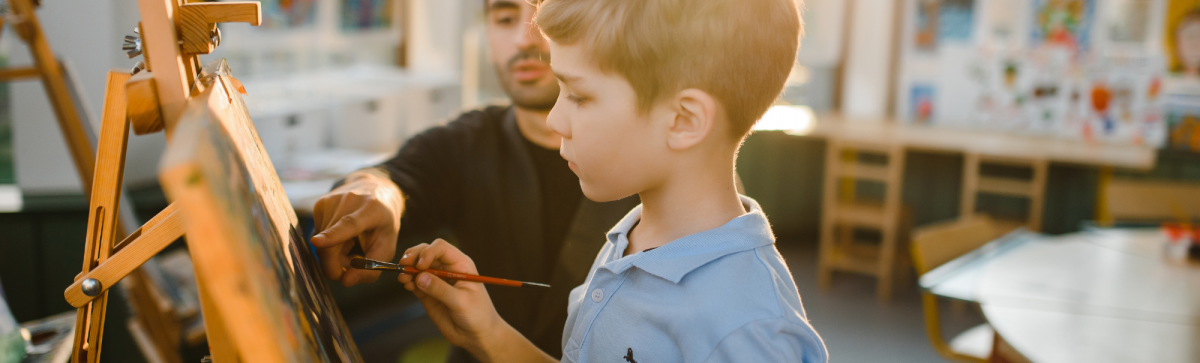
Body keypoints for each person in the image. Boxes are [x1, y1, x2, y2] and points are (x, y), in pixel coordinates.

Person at [396, 0, 828, 362]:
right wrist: (489, 332)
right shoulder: (630, 240)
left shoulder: (747, 334)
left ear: (684, 120)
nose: (554, 119)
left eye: (579, 96)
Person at [308, 0, 638, 361]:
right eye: (505, 17)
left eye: (545, 16)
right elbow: (399, 176)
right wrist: (376, 191)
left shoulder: (650, 160)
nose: (524, 40)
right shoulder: (468, 141)